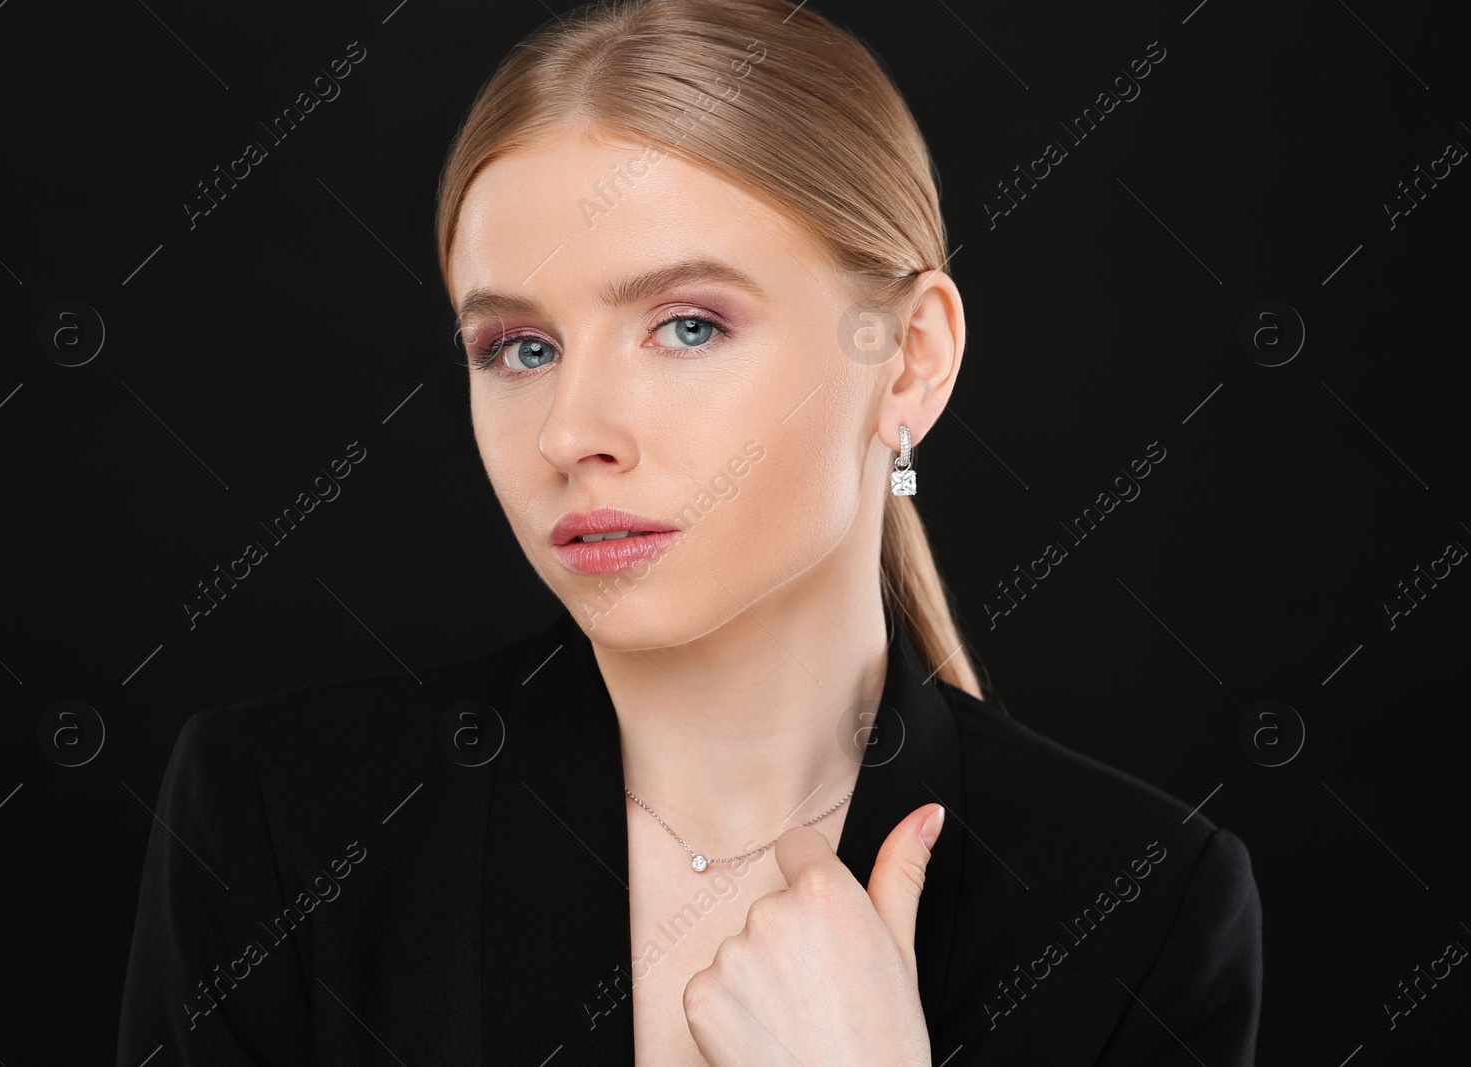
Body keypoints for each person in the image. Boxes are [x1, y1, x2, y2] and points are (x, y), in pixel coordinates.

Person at [116, 0, 1262, 1062]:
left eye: (686, 326)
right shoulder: (284, 819)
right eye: (519, 347)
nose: (571, 430)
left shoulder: (1136, 902)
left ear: (909, 358)